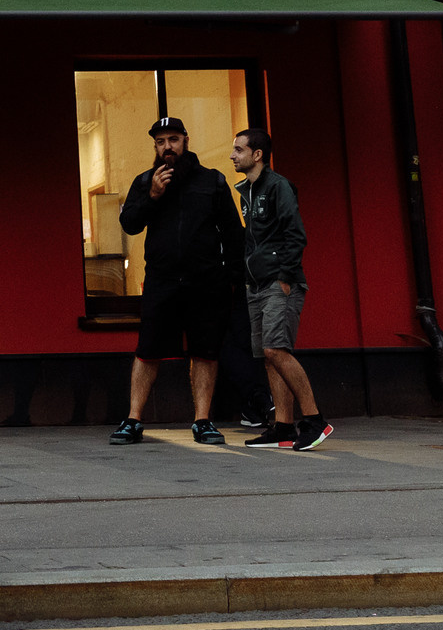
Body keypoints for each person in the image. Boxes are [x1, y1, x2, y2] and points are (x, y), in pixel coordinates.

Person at [109, 118, 246, 447]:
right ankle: (133, 420)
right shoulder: (145, 181)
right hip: (162, 280)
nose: (167, 146)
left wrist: (230, 278)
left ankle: (202, 420)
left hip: (206, 282)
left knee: (205, 352)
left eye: (173, 139)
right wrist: (153, 196)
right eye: (160, 141)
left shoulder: (212, 181)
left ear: (185, 140)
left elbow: (233, 232)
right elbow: (129, 224)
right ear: (155, 147)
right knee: (147, 351)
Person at [229, 127, 331, 452]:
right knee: (268, 357)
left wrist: (285, 276)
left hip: (278, 281)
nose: (232, 155)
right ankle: (283, 427)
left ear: (257, 155)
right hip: (256, 284)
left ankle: (315, 421)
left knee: (277, 350)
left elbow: (295, 234)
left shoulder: (278, 187)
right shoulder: (247, 191)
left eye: (238, 150)